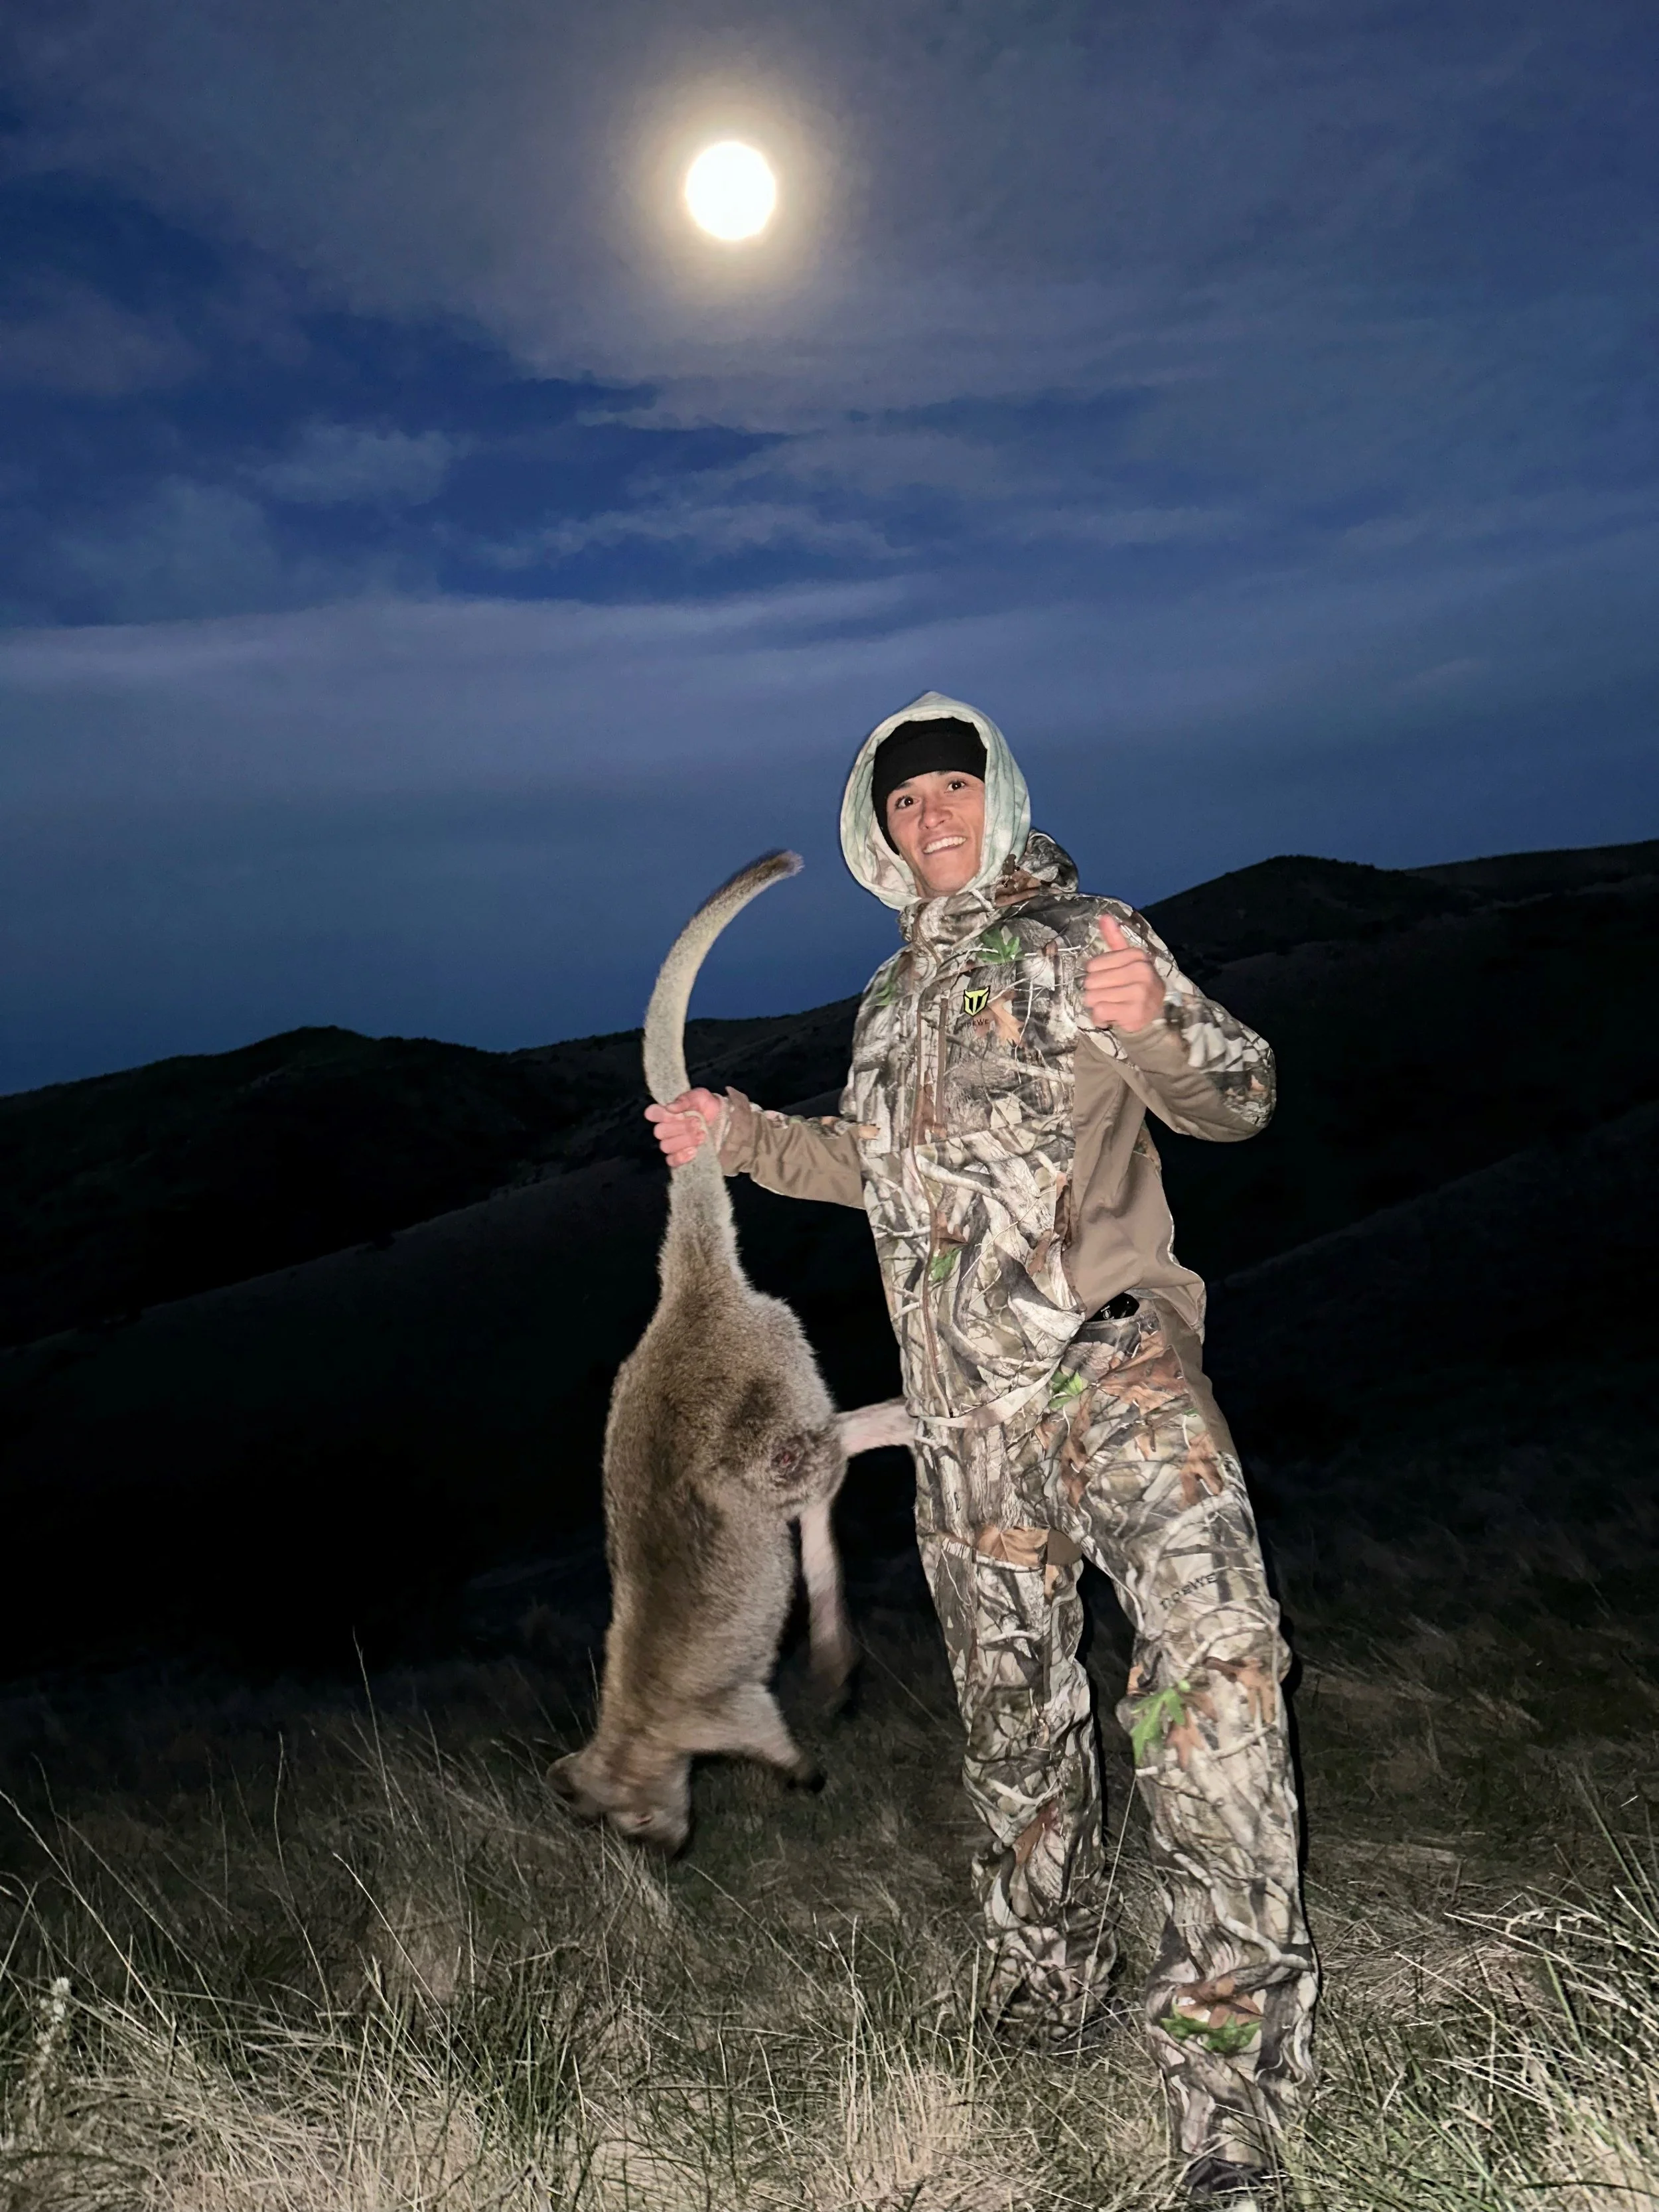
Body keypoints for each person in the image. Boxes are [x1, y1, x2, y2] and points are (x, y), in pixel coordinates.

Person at [646, 692, 1317, 2204]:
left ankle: (1227, 2108)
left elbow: (1235, 1100)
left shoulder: (1087, 935)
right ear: (875, 831)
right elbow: (875, 1172)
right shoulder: (890, 1006)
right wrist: (744, 1134)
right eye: (902, 803)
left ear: (996, 798)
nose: (929, 815)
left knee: (1209, 1692)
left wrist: (1158, 1019)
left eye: (951, 787)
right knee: (1018, 1745)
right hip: (962, 1437)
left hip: (1113, 1378)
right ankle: (1044, 2001)